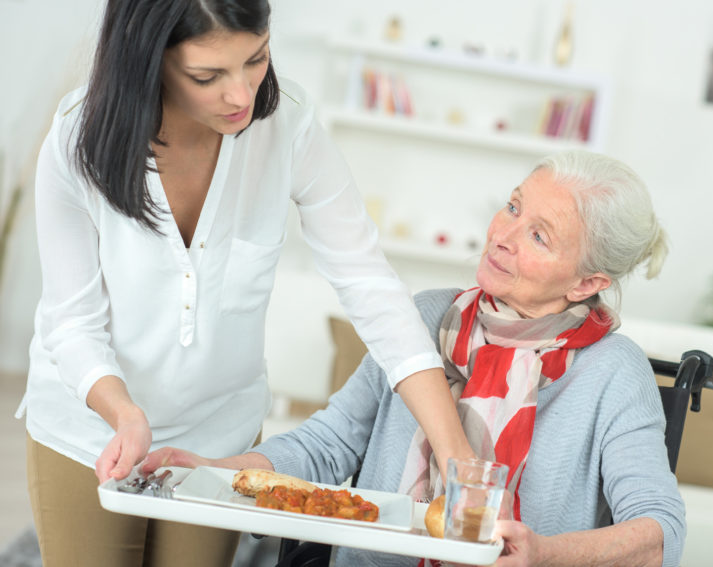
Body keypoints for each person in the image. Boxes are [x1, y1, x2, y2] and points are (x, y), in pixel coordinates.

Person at [18, 1, 474, 565]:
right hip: (89, 431)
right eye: (208, 76)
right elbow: (71, 320)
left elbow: (369, 283)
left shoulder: (290, 128)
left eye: (255, 60)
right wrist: (124, 414)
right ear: (149, 59)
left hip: (220, 439)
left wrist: (453, 449)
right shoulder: (76, 138)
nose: (242, 96)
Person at [146, 150, 685, 567]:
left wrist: (544, 553)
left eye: (538, 235)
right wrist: (213, 472)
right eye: (513, 207)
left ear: (587, 283)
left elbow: (659, 531)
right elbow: (328, 445)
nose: (502, 236)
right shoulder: (424, 318)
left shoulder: (614, 371)